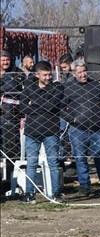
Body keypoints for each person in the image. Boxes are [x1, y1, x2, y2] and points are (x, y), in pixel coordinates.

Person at [62, 60, 100, 198]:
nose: (83, 74)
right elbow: (61, 108)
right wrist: (72, 119)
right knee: (80, 159)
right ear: (74, 74)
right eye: (79, 72)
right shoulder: (68, 88)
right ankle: (85, 187)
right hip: (77, 130)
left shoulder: (96, 86)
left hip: (96, 129)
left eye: (84, 71)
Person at [17, 61, 63, 203]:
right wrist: (40, 106)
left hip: (51, 130)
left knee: (53, 163)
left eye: (50, 74)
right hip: (32, 131)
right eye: (45, 75)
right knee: (31, 164)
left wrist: (34, 104)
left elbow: (53, 104)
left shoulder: (58, 88)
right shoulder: (29, 89)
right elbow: (23, 107)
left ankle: (56, 193)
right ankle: (29, 194)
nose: (48, 77)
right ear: (37, 75)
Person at [1, 53, 25, 199]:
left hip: (10, 116)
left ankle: (10, 182)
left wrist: (3, 78)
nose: (5, 62)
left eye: (7, 60)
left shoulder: (17, 73)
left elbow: (13, 87)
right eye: (2, 60)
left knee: (10, 151)